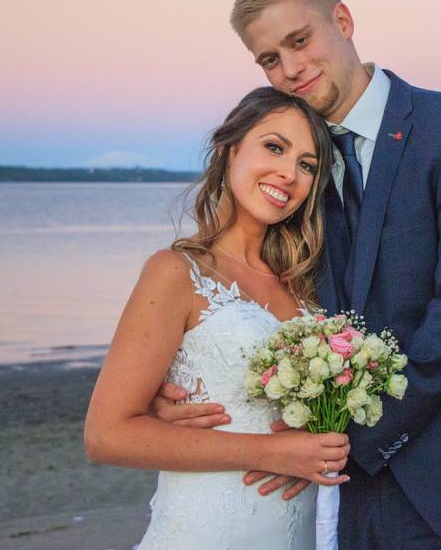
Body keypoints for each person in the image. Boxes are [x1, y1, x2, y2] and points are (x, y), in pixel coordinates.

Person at [154, 0, 441, 549]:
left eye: (299, 40)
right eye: (268, 58)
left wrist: (353, 439)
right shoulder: (289, 174)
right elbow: (263, 292)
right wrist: (189, 388)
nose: (290, 68)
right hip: (343, 501)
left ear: (342, 20)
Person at [84, 87, 352, 549]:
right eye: (274, 147)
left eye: (307, 165)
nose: (288, 173)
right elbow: (106, 435)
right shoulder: (176, 272)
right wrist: (275, 453)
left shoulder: (309, 287)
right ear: (229, 150)